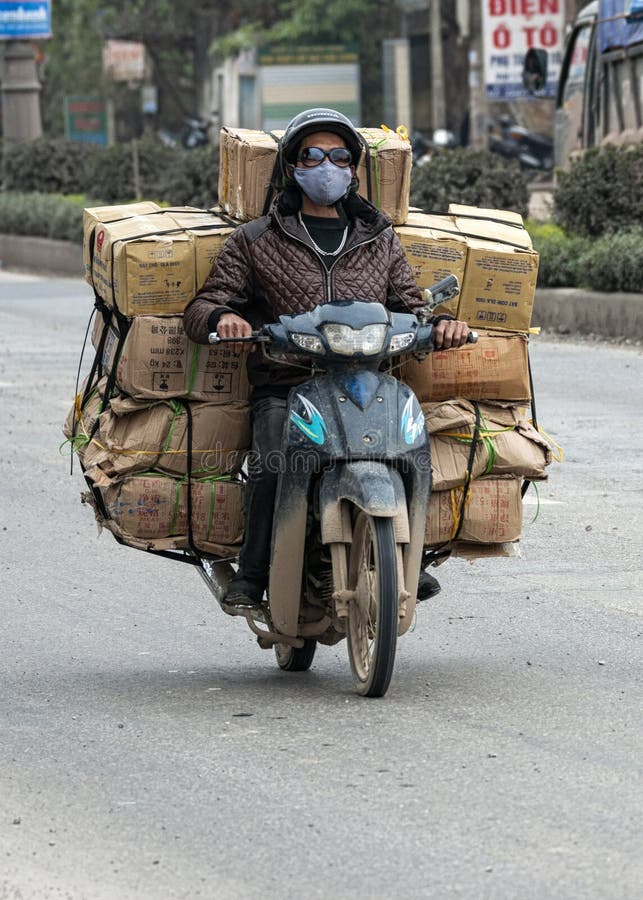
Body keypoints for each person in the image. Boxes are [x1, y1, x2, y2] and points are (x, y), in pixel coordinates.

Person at [183, 108, 470, 607]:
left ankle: (411, 554)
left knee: (411, 449)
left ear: (353, 170)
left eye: (339, 156)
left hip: (366, 380)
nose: (327, 166)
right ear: (292, 168)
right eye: (312, 155)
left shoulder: (378, 238)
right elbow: (203, 305)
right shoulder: (255, 240)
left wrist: (441, 326)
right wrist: (221, 320)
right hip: (286, 383)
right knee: (272, 463)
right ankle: (252, 576)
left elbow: (410, 306)